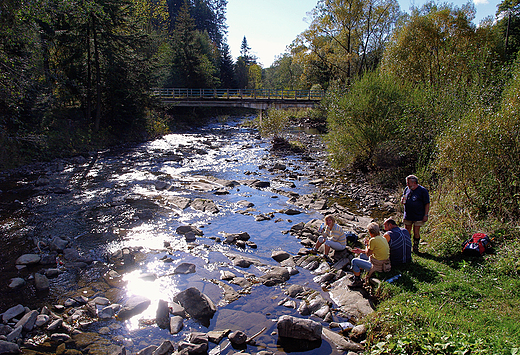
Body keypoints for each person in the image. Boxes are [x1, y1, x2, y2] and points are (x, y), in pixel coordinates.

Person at [349, 222, 390, 287]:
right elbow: (374, 251)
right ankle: (358, 273)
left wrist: (366, 245)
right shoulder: (383, 238)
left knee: (354, 261)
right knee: (362, 255)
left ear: (370, 232)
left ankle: (357, 281)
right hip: (385, 263)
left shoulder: (373, 240)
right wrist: (361, 251)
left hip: (377, 266)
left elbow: (368, 254)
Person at [401, 174, 430, 253]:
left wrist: (426, 215)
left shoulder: (422, 191)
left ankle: (416, 247)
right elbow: (404, 197)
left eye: (408, 183)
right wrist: (403, 201)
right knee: (407, 231)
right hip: (408, 214)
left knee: (416, 232)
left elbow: (427, 203)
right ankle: (407, 247)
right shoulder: (407, 189)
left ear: (414, 183)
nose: (407, 184)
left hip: (418, 215)